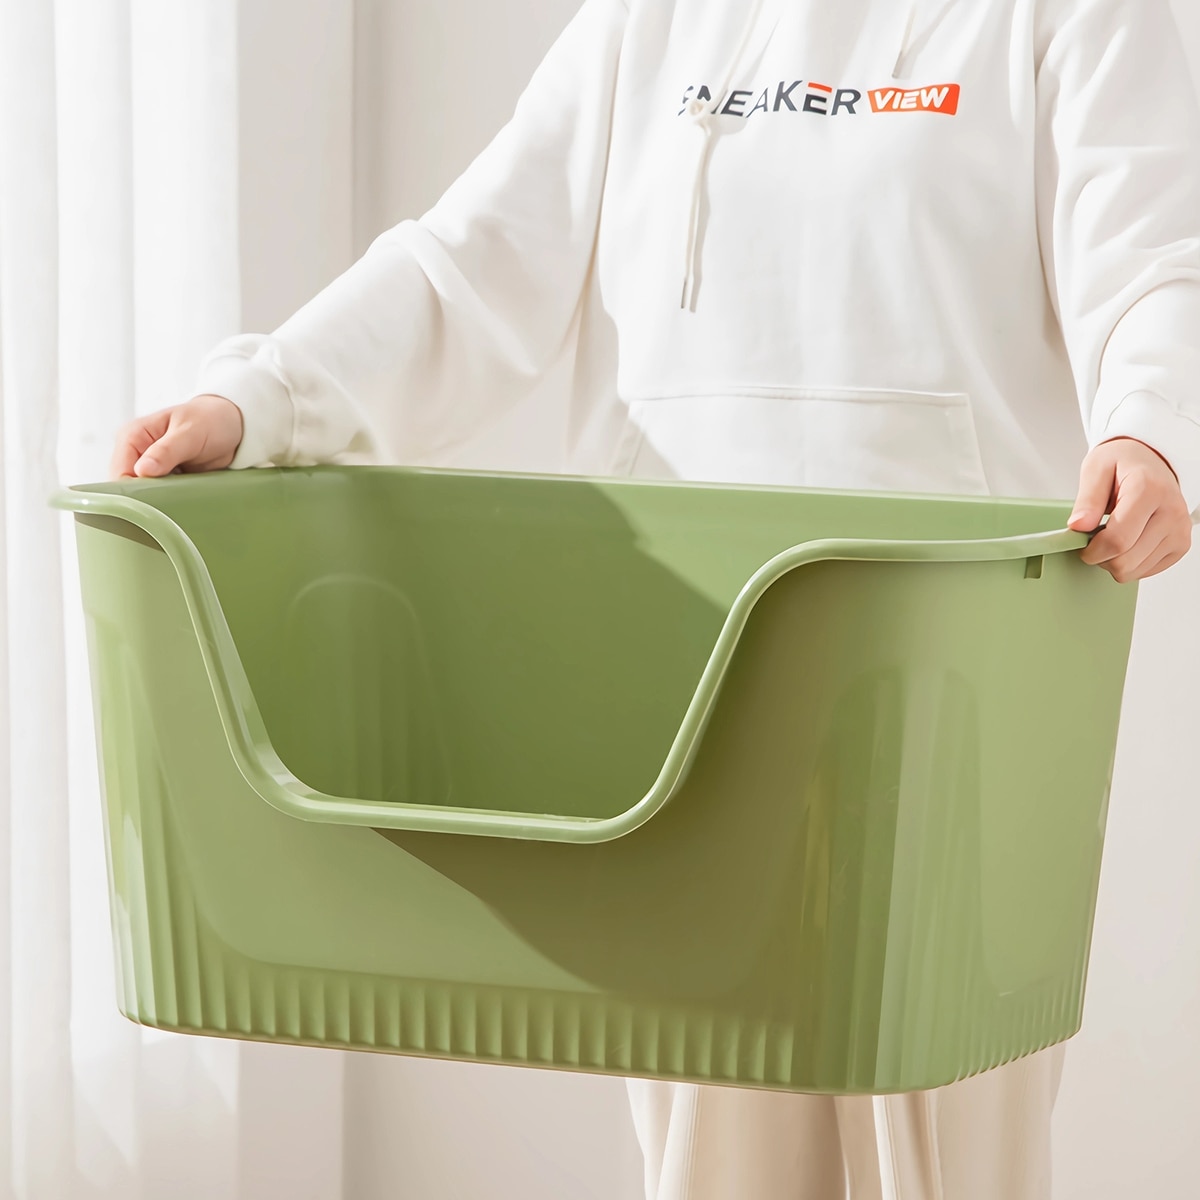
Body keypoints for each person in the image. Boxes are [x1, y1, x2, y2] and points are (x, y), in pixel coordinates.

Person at [110, 0, 1199, 1195]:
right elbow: (469, 266)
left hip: (951, 661)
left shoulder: (1077, 15)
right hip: (685, 665)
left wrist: (1149, 425)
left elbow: (1152, 256)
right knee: (707, 1141)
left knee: (947, 1147)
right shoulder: (649, 22)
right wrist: (260, 400)